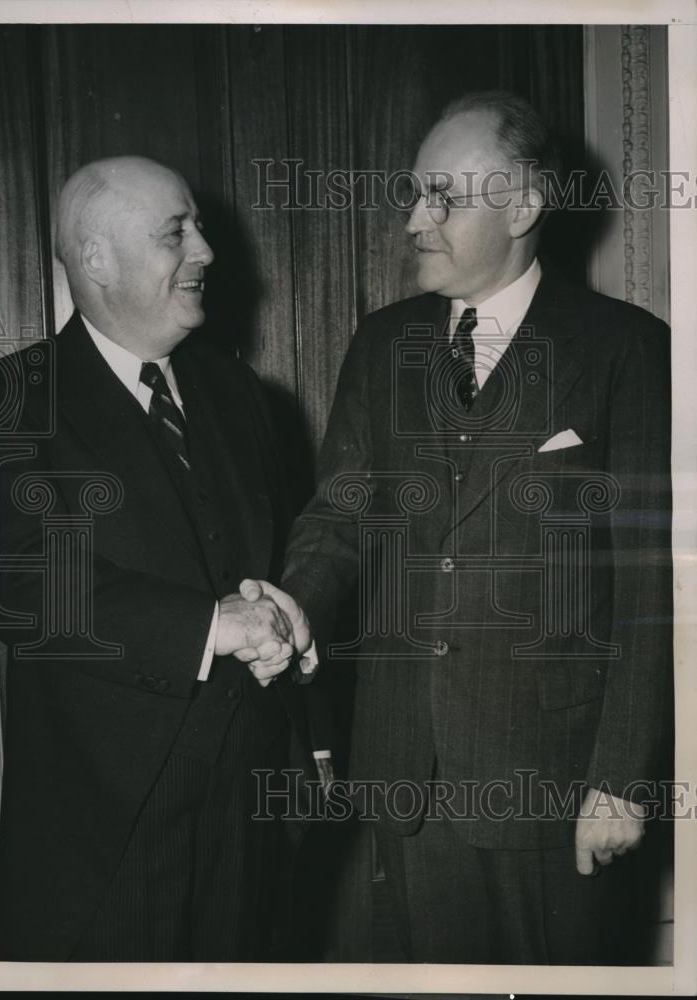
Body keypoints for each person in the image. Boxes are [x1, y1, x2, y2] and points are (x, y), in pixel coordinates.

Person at [279, 92, 673, 963]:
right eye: (415, 195)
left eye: (442, 199)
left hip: (549, 782)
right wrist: (293, 605)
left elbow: (652, 589)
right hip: (398, 778)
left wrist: (619, 780)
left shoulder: (625, 349)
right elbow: (340, 513)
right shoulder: (380, 346)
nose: (416, 219)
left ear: (524, 206)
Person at [0, 155, 313, 962]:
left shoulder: (245, 398)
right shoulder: (14, 402)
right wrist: (211, 625)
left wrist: (293, 652)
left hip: (253, 816)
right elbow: (25, 585)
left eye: (198, 229)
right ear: (97, 258)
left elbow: (281, 569)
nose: (206, 251)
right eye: (177, 233)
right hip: (107, 831)